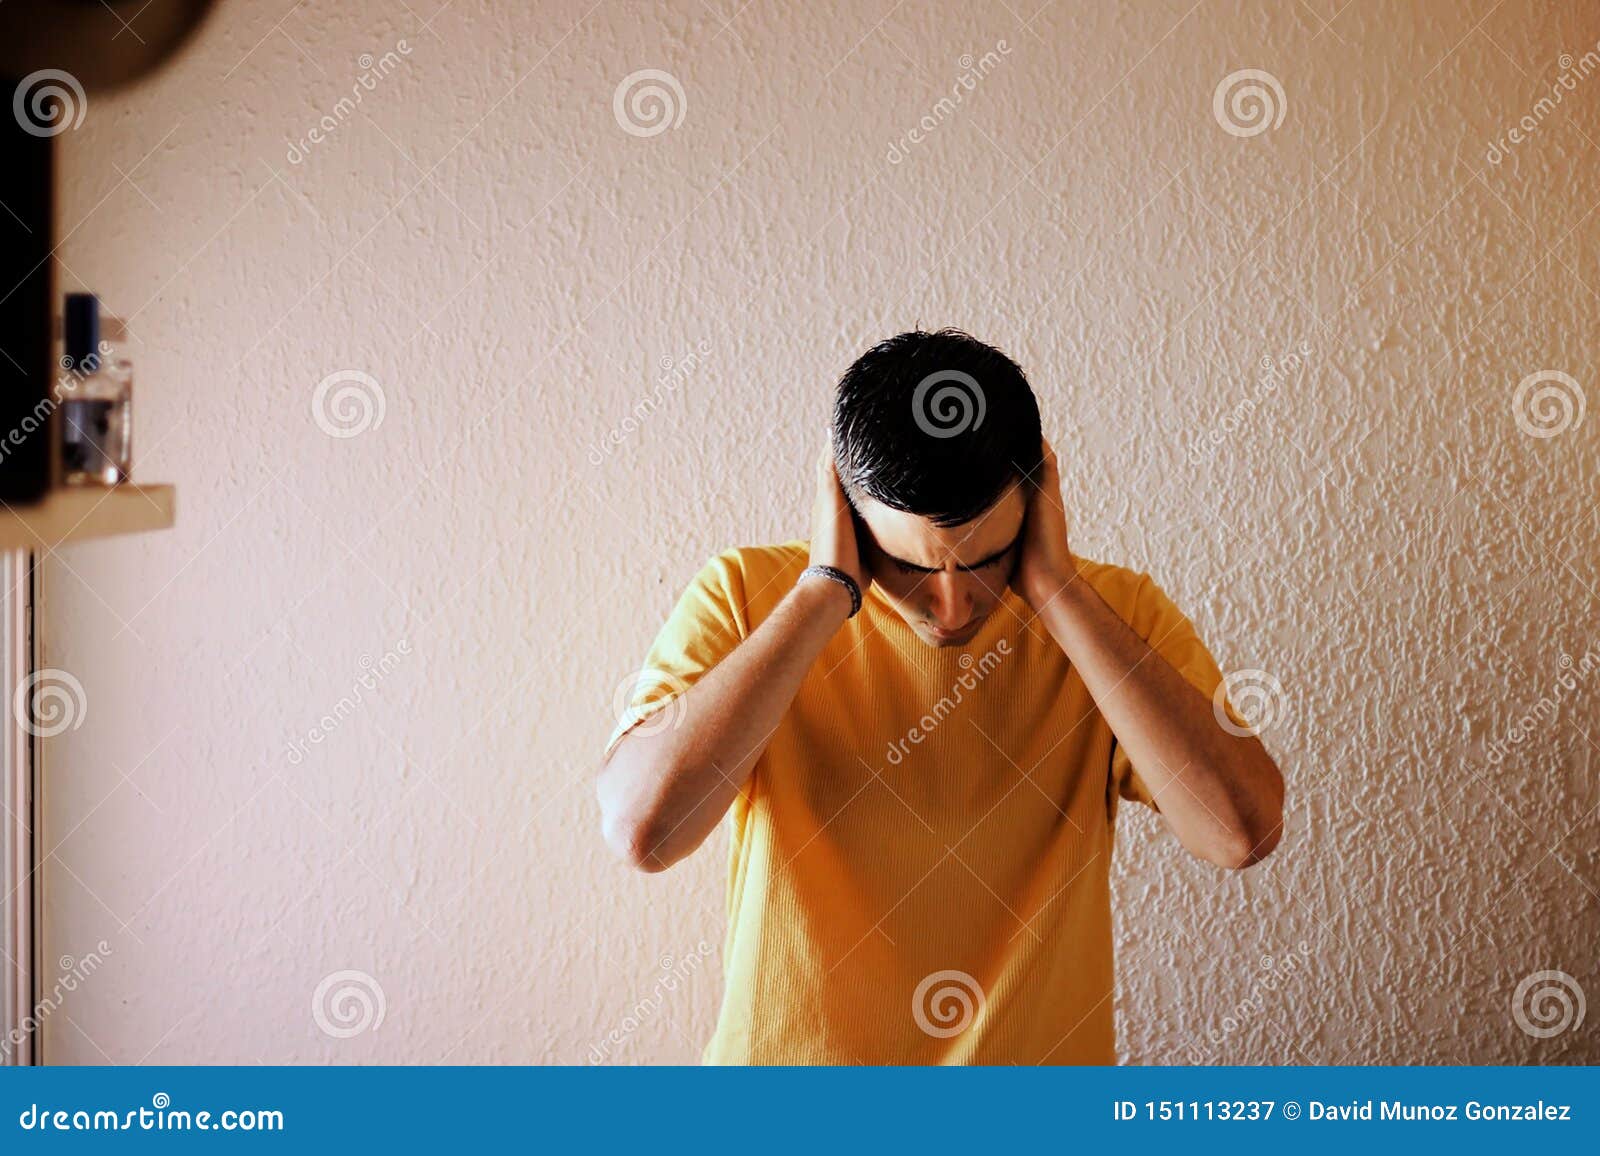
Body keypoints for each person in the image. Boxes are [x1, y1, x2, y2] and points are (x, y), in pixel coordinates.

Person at [597, 328, 1285, 1064]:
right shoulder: (745, 597)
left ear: (1040, 495)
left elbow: (1241, 833)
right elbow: (645, 833)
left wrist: (1056, 592)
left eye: (986, 561)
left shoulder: (1113, 616)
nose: (953, 608)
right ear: (844, 509)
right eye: (908, 565)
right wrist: (824, 593)